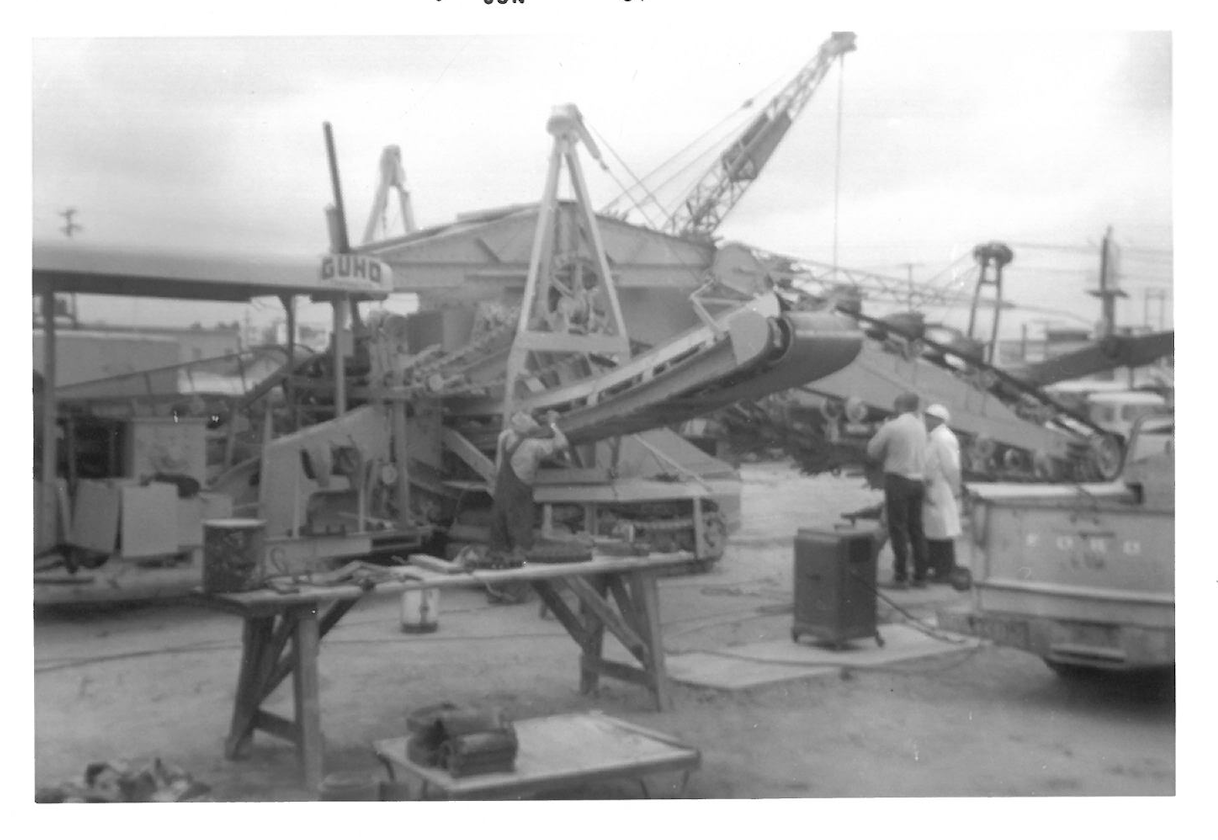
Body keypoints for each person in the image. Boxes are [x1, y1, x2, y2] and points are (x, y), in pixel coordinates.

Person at [487, 409, 570, 566]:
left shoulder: (503, 437)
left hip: (501, 493)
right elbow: (562, 443)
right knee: (520, 540)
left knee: (499, 539)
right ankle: (519, 573)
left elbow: (512, 431)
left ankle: (496, 575)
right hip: (519, 496)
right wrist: (552, 424)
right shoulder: (533, 446)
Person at [866, 392, 930, 588]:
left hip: (898, 481)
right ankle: (920, 576)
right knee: (916, 529)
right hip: (918, 482)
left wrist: (881, 431)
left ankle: (900, 577)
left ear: (899, 406)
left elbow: (872, 450)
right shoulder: (922, 426)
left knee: (898, 529)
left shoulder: (892, 426)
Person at [922, 403, 962, 583]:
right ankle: (935, 567)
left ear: (939, 420)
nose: (926, 419)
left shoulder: (945, 438)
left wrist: (956, 490)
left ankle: (945, 570)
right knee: (933, 530)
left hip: (941, 488)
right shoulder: (932, 437)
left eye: (929, 417)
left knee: (943, 530)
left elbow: (951, 467)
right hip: (931, 487)